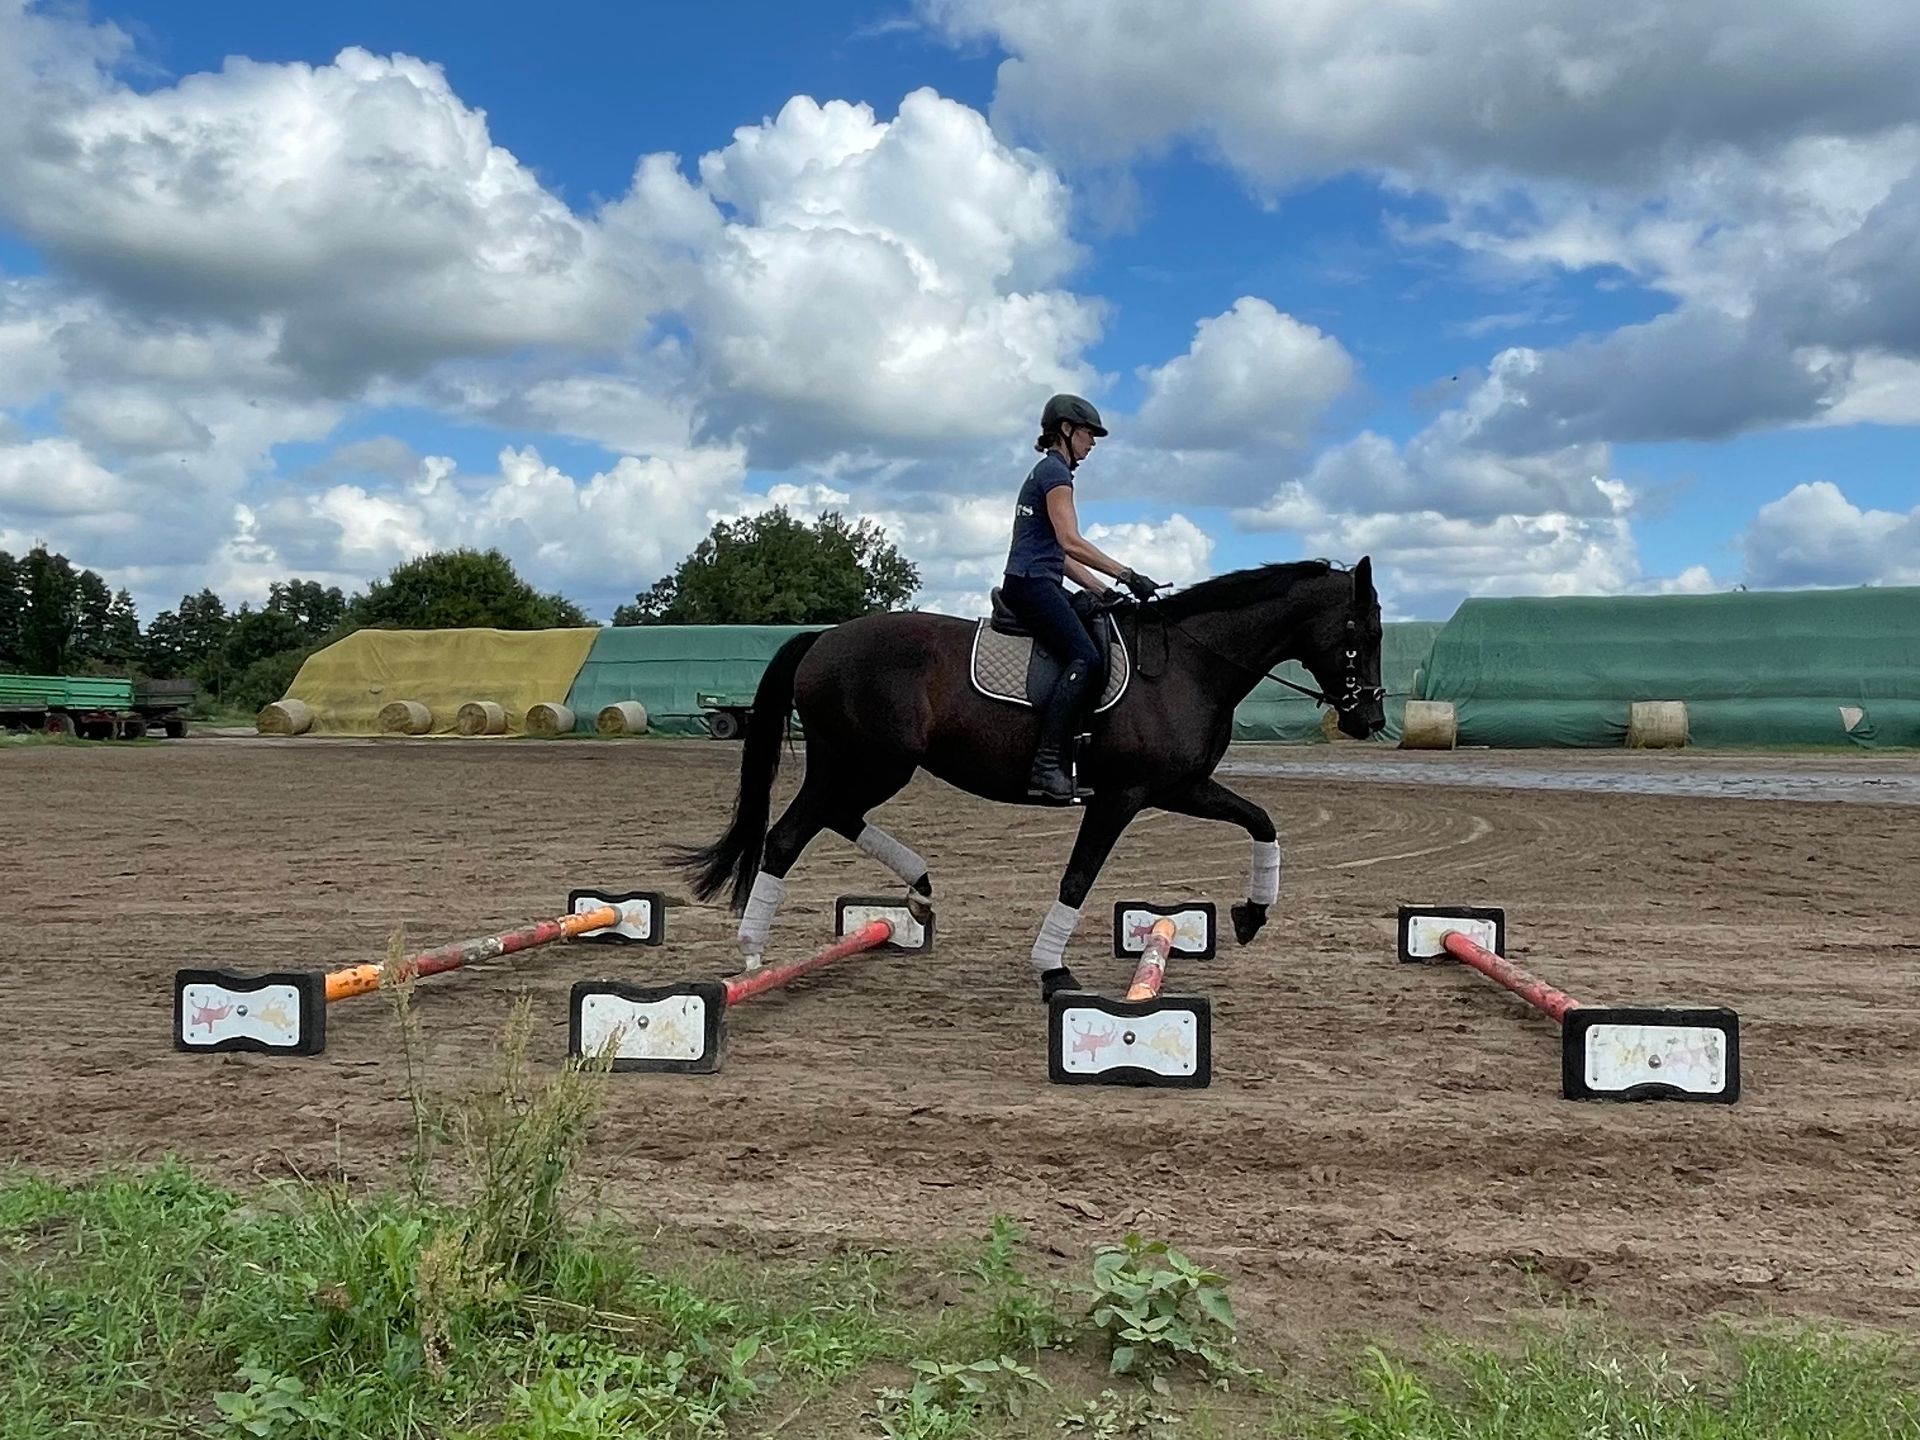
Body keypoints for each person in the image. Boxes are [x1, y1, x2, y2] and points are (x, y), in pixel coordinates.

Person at [1000, 393, 1161, 803]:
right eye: (1089, 434)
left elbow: (1060, 556)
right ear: (1067, 431)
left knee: (1094, 621)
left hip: (1039, 578)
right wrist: (1127, 575)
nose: (1092, 444)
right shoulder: (1056, 475)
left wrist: (1105, 592)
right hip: (1032, 585)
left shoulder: (1047, 472)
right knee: (1085, 658)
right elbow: (1071, 542)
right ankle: (1047, 765)